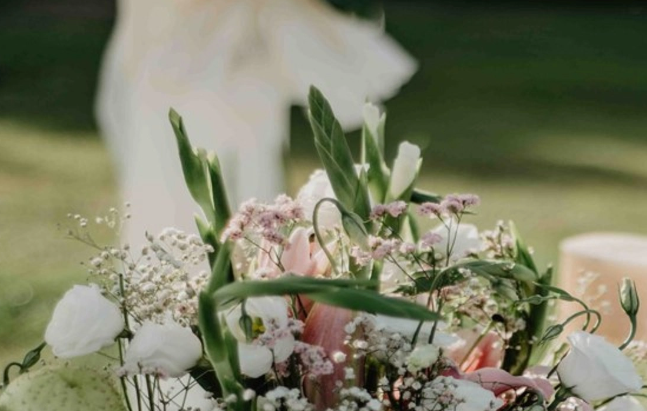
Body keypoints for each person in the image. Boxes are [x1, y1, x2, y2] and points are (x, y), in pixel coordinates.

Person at [96, 0, 416, 246]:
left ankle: (253, 292)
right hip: (181, 66)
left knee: (248, 183)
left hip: (239, 68)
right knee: (171, 181)